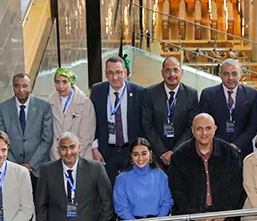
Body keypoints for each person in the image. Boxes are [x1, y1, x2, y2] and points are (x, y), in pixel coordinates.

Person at [167, 113, 244, 221]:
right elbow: (178, 191)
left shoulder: (230, 153)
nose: (204, 133)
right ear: (193, 130)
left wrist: (224, 213)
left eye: (208, 128)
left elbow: (236, 186)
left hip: (224, 219)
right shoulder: (179, 156)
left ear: (215, 129)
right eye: (199, 129)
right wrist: (194, 215)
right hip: (190, 220)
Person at [36, 132, 114, 221]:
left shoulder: (96, 168)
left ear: (79, 148)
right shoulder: (47, 170)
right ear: (58, 150)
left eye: (72, 147)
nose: (69, 152)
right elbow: (40, 205)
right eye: (64, 148)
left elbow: (107, 203)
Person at [90, 55, 146, 184]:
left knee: (131, 187)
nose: (114, 77)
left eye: (118, 72)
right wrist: (94, 148)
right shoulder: (97, 90)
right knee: (107, 189)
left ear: (125, 72)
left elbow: (144, 123)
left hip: (131, 149)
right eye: (110, 73)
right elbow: (92, 121)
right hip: (106, 151)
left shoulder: (140, 92)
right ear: (105, 74)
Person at [0, 73, 53, 194]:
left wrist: (31, 165)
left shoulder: (44, 106)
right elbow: (0, 140)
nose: (21, 90)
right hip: (12, 168)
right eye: (17, 86)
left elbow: (47, 138)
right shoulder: (1, 108)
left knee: (40, 206)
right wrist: (17, 166)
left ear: (31, 87)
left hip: (38, 168)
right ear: (13, 87)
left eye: (25, 86)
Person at [142, 57, 199, 168]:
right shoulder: (150, 93)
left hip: (182, 154)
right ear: (162, 73)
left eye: (175, 70)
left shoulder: (191, 94)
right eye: (167, 70)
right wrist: (163, 152)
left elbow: (191, 127)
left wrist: (175, 151)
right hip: (157, 155)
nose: (172, 74)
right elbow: (147, 125)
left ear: (182, 72)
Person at [199, 59, 257, 156]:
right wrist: (222, 146)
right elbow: (205, 124)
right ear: (220, 74)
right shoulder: (208, 94)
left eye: (234, 74)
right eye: (226, 74)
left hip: (243, 151)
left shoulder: (252, 94)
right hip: (215, 151)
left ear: (241, 74)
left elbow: (253, 125)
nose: (230, 78)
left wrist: (237, 145)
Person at [113, 138, 173, 221]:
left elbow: (167, 202)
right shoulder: (121, 179)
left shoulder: (161, 175)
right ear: (131, 156)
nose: (140, 158)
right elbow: (121, 208)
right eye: (136, 154)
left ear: (150, 154)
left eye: (144, 153)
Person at [49, 67, 96, 160]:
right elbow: (50, 134)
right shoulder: (49, 102)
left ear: (71, 82)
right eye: (57, 82)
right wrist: (57, 154)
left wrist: (73, 155)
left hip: (81, 155)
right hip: (56, 156)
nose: (60, 86)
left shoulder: (85, 102)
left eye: (64, 82)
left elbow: (87, 134)